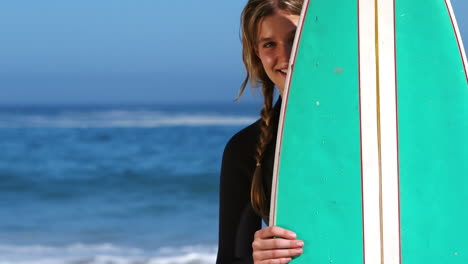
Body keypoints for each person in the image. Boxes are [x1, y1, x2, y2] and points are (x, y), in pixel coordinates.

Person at [217, 0, 305, 263]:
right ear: (256, 53)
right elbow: (231, 259)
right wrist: (258, 259)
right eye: (269, 44)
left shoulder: (375, 128)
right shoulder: (245, 149)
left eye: (296, 38)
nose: (286, 56)